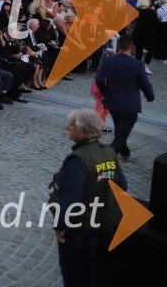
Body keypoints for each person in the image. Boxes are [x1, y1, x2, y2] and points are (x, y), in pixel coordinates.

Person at [50, 109, 127, 287]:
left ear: (83, 131)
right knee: (90, 264)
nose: (67, 127)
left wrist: (60, 227)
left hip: (78, 226)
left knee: (72, 268)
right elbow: (122, 185)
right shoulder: (109, 152)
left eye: (71, 125)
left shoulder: (77, 159)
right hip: (100, 219)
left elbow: (70, 201)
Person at [95, 35, 155, 162]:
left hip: (113, 103)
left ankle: (125, 152)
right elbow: (144, 83)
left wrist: (106, 93)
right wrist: (150, 96)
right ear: (132, 47)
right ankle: (105, 159)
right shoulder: (137, 64)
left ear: (118, 46)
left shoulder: (108, 62)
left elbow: (99, 80)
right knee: (121, 134)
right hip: (129, 105)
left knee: (120, 131)